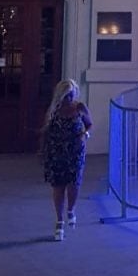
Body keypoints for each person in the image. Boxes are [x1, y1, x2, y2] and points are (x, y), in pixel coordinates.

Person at [41, 79, 92, 241]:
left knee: (73, 183)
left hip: (75, 151)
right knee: (58, 186)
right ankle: (59, 221)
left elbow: (89, 124)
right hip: (56, 151)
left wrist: (85, 134)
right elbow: (47, 130)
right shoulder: (54, 110)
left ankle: (71, 209)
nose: (69, 98)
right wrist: (43, 151)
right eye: (66, 95)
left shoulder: (80, 108)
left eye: (71, 94)